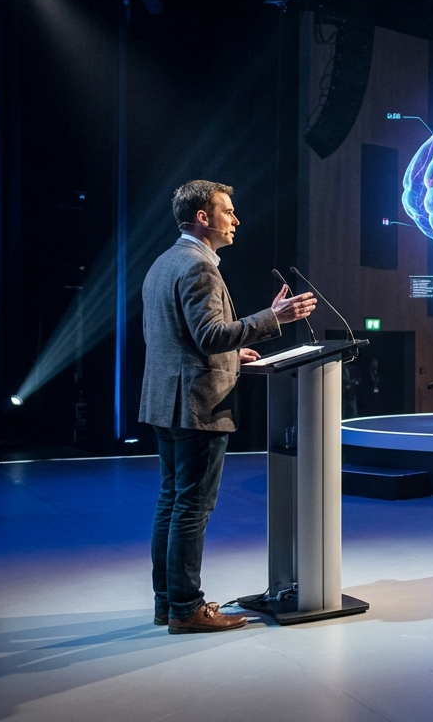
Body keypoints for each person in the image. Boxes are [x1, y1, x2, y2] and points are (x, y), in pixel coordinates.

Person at [141, 180, 316, 634]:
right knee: (191, 509)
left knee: (172, 503)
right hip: (197, 404)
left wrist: (230, 354)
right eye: (228, 211)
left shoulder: (164, 263)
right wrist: (273, 319)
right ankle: (187, 608)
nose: (235, 220)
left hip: (166, 401)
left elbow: (180, 338)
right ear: (203, 217)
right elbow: (209, 335)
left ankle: (169, 602)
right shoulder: (199, 268)